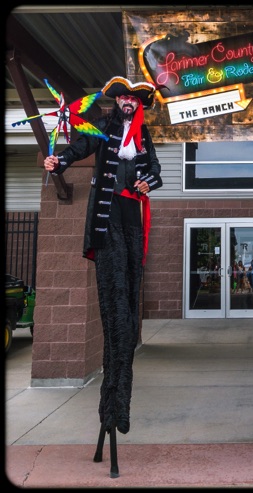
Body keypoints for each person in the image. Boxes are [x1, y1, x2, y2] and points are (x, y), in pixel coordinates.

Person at [43, 76, 163, 436]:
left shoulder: (143, 137)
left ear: (138, 106)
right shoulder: (104, 130)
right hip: (107, 218)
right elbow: (79, 148)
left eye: (133, 100)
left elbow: (155, 170)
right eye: (124, 98)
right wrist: (59, 161)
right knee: (115, 310)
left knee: (128, 301)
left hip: (132, 219)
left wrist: (148, 182)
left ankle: (118, 406)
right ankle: (113, 408)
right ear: (117, 102)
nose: (128, 103)